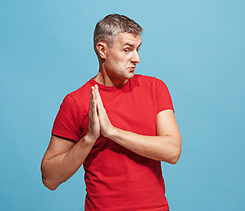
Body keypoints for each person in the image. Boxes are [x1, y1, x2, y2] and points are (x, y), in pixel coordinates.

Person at [41, 14, 182, 211]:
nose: (137, 58)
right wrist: (89, 139)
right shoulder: (76, 102)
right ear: (102, 49)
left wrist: (112, 132)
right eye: (127, 50)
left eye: (138, 49)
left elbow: (173, 151)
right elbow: (49, 178)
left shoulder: (155, 88)